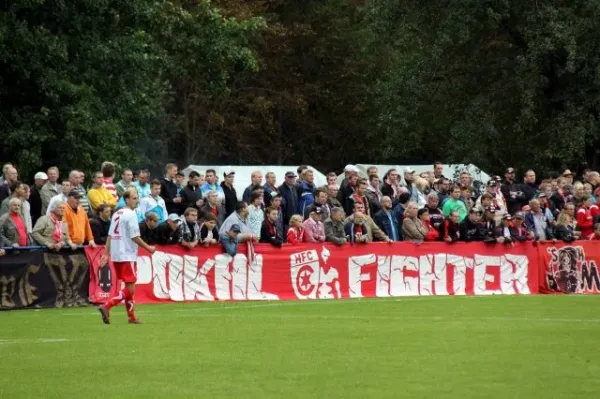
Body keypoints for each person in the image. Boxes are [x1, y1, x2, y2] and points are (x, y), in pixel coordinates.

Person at [98, 190, 156, 325]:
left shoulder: (117, 213)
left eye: (137, 198)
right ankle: (107, 305)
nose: (137, 200)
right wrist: (148, 248)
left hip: (117, 254)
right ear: (127, 200)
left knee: (130, 286)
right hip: (127, 254)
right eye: (134, 198)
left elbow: (110, 236)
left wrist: (106, 254)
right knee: (130, 288)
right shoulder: (131, 214)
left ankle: (132, 317)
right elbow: (134, 236)